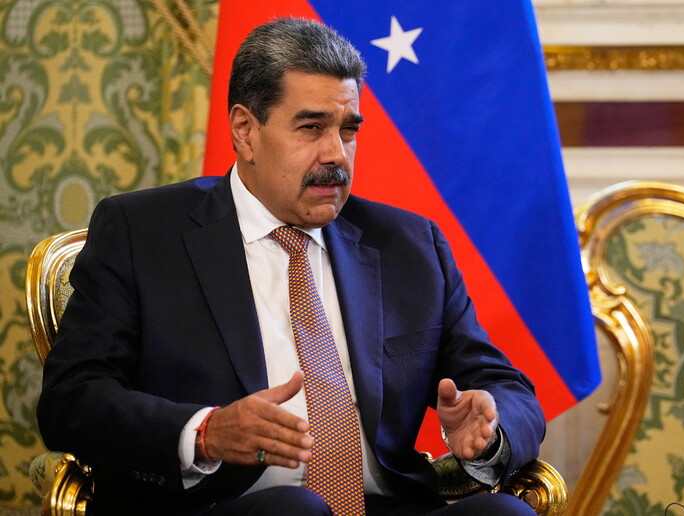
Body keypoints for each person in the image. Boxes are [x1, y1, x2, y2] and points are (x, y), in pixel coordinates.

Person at [37, 17, 545, 516]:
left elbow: (504, 385)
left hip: (385, 505)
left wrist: (489, 430)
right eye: (311, 128)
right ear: (245, 131)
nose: (336, 155)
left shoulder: (407, 244)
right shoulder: (143, 233)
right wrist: (206, 432)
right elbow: (73, 398)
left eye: (348, 131)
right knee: (295, 508)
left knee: (507, 515)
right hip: (227, 507)